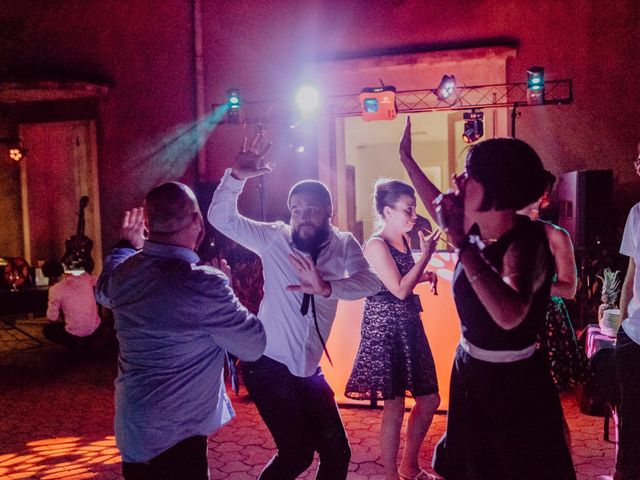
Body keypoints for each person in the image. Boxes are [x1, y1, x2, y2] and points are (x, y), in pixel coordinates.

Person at [399, 116, 575, 479]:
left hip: (509, 384)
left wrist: (462, 245)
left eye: (468, 174)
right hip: (473, 370)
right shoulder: (480, 228)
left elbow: (510, 313)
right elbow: (439, 205)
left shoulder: (525, 242)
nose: (458, 181)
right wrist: (406, 160)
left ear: (496, 187)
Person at [208, 131, 380, 480]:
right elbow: (221, 219)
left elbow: (371, 281)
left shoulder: (344, 244)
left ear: (329, 212)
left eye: (312, 210)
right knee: (298, 453)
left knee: (337, 453)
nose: (302, 217)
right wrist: (236, 178)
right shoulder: (275, 237)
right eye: (296, 210)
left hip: (308, 370)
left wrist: (326, 286)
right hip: (268, 367)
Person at [95, 182, 266, 480]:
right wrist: (227, 288)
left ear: (148, 225)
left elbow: (103, 289)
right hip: (178, 436)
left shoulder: (125, 275)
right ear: (197, 220)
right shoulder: (205, 285)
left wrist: (125, 245)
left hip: (133, 427)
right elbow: (253, 344)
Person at [345, 178, 441, 480]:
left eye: (413, 210)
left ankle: (409, 465)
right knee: (395, 405)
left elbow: (400, 279)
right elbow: (398, 289)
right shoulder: (375, 244)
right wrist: (425, 256)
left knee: (430, 398)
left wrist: (425, 275)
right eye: (408, 210)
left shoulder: (402, 238)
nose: (414, 217)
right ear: (387, 211)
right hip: (385, 328)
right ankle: (391, 475)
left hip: (409, 324)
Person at [518, 175, 586, 393]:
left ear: (540, 197)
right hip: (509, 318)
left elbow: (569, 288)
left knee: (546, 404)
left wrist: (530, 285)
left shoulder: (556, 235)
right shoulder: (498, 233)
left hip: (544, 322)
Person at [598, 144, 640, 480]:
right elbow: (630, 274)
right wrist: (622, 323)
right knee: (631, 415)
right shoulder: (636, 214)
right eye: (639, 158)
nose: (638, 165)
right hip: (635, 333)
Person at [42, 260, 101, 351]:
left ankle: (73, 344)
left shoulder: (55, 290)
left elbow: (52, 318)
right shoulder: (84, 277)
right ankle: (87, 341)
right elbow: (98, 281)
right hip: (95, 329)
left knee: (48, 330)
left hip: (74, 333)